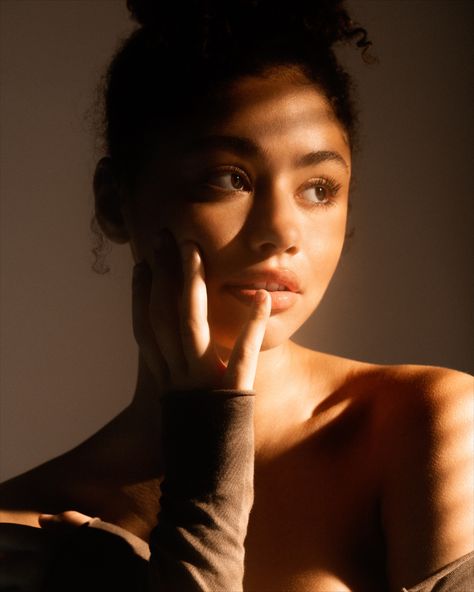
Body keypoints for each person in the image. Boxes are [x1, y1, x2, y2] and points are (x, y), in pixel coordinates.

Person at [1, 0, 473, 591]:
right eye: (229, 178)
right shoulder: (28, 529)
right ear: (116, 201)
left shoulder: (428, 429)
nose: (282, 230)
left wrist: (200, 501)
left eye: (319, 189)